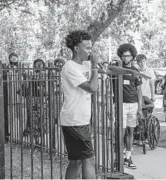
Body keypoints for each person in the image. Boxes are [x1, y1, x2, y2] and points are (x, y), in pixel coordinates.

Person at [60, 30, 99, 179]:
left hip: (79, 120)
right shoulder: (70, 67)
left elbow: (107, 71)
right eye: (87, 47)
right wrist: (94, 67)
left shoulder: (86, 64)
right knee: (89, 159)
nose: (91, 50)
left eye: (91, 47)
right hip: (74, 120)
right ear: (77, 48)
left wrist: (129, 72)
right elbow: (92, 88)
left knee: (75, 161)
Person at [116, 43, 143, 169]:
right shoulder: (116, 70)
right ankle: (118, 158)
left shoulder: (135, 71)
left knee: (130, 130)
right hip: (121, 104)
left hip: (133, 104)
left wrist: (140, 109)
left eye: (128, 56)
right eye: (123, 56)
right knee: (120, 131)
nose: (126, 58)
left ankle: (128, 156)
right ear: (120, 56)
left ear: (132, 56)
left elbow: (139, 90)